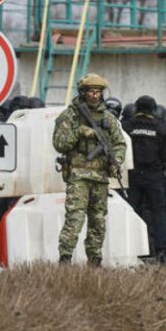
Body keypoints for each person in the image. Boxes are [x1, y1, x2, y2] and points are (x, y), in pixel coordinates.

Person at [53, 73, 127, 265]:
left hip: (100, 176)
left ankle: (95, 260)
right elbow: (59, 143)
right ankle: (65, 258)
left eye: (98, 92)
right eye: (91, 91)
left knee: (98, 221)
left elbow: (119, 143)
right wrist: (79, 132)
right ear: (83, 92)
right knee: (75, 218)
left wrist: (116, 161)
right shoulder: (70, 116)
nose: (95, 95)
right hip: (78, 175)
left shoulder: (108, 118)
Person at [124, 95, 166, 257]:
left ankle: (135, 250)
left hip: (132, 175)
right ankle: (161, 250)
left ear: (137, 109)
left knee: (133, 212)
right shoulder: (161, 129)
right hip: (155, 176)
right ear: (153, 110)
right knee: (158, 213)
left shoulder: (126, 127)